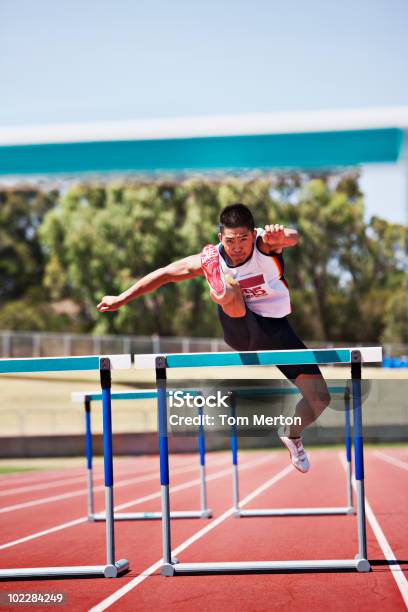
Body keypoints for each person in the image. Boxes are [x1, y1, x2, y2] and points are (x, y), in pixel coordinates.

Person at [97, 203, 330, 473]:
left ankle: (291, 434)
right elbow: (164, 275)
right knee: (231, 287)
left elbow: (292, 236)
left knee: (320, 399)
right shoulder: (214, 255)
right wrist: (121, 298)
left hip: (277, 331)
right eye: (230, 241)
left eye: (243, 239)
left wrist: (284, 235)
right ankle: (217, 284)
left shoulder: (264, 244)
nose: (238, 246)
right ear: (220, 238)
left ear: (252, 234)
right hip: (241, 329)